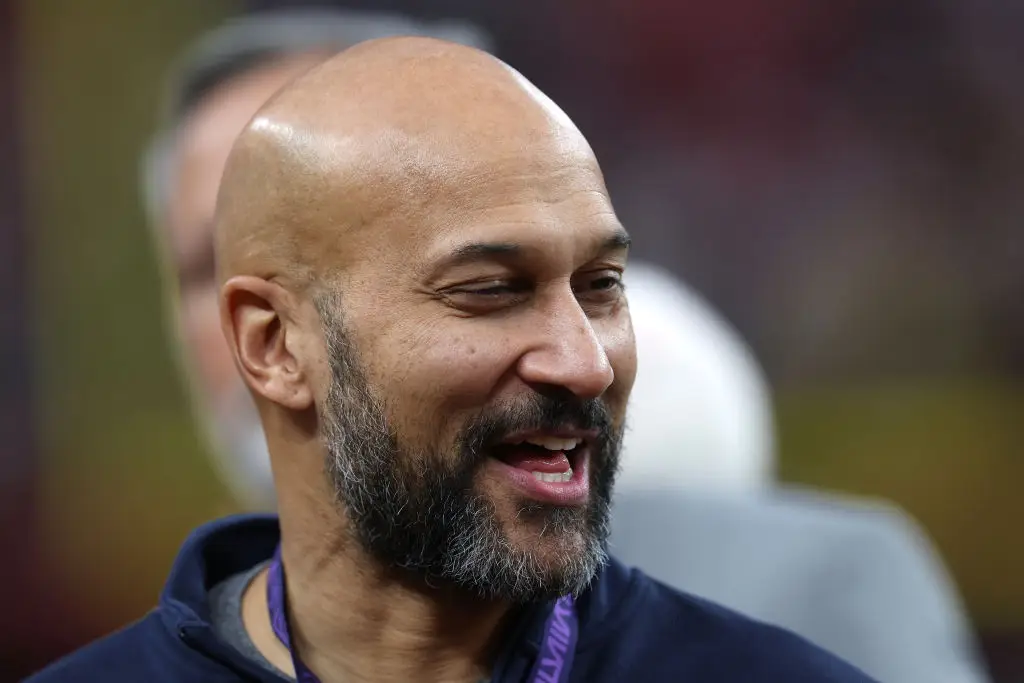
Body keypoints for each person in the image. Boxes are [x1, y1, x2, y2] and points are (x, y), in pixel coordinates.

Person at [131, 11, 986, 683]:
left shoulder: (779, 616)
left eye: (594, 281)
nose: (580, 360)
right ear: (266, 334)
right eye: (206, 266)